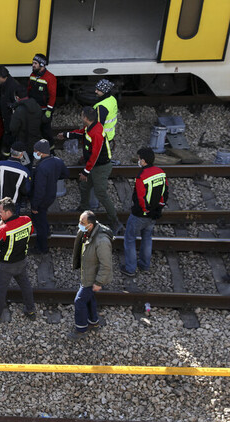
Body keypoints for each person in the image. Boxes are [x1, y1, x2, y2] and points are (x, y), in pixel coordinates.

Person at [59, 106, 122, 234]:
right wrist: (67, 135)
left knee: (101, 192)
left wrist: (86, 171)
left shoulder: (96, 132)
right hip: (94, 165)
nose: (81, 117)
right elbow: (82, 133)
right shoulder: (92, 126)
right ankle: (84, 209)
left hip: (101, 167)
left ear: (86, 118)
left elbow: (95, 155)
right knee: (84, 185)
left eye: (82, 115)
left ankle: (115, 221)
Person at [0, 197, 36, 324]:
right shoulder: (27, 220)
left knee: (1, 290)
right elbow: (30, 232)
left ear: (8, 213)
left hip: (5, 266)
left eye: (0, 212)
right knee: (25, 286)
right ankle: (31, 310)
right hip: (22, 261)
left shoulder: (3, 229)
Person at [121, 147, 169, 277]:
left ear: (143, 161)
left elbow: (140, 198)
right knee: (147, 237)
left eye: (139, 159)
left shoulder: (141, 177)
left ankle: (130, 269)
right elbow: (165, 194)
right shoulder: (161, 172)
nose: (138, 161)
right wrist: (157, 209)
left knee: (129, 239)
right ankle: (144, 265)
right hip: (154, 214)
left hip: (140, 214)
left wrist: (145, 210)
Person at [69, 210, 113, 340]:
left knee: (79, 301)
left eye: (82, 223)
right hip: (87, 274)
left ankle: (81, 329)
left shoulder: (102, 241)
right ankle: (93, 322)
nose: (80, 225)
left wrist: (99, 282)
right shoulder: (87, 232)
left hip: (91, 278)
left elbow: (106, 265)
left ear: (91, 225)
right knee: (89, 298)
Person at [0, 141, 31, 255]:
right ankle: (5, 251)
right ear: (21, 155)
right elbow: (26, 190)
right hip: (13, 206)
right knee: (10, 228)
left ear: (11, 152)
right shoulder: (24, 172)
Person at [30, 139, 69, 254]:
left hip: (42, 199)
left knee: (39, 221)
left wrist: (34, 206)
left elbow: (39, 190)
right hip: (51, 195)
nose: (34, 153)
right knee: (43, 216)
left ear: (40, 152)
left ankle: (42, 248)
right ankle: (46, 232)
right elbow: (65, 173)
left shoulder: (41, 168)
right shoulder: (57, 161)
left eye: (35, 151)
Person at [27, 53, 57, 145]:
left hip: (44, 110)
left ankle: (51, 151)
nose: (33, 65)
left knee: (46, 131)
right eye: (33, 63)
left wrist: (49, 110)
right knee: (33, 130)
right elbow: (29, 90)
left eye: (35, 63)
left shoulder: (50, 78)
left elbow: (52, 96)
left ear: (42, 65)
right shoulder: (32, 75)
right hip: (33, 109)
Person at [9, 83, 42, 159]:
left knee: (23, 164)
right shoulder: (37, 106)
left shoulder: (19, 110)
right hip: (35, 140)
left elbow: (13, 128)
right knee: (29, 162)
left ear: (17, 97)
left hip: (22, 142)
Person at [0, 65, 19, 155]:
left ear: (2, 77)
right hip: (6, 116)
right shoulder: (3, 85)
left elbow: (18, 104)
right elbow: (1, 98)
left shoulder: (13, 86)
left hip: (11, 119)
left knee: (10, 138)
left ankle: (8, 156)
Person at [93, 78, 118, 151]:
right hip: (109, 134)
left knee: (98, 153)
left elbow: (98, 127)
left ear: (105, 92)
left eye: (98, 90)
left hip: (102, 137)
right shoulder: (112, 99)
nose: (95, 91)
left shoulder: (101, 107)